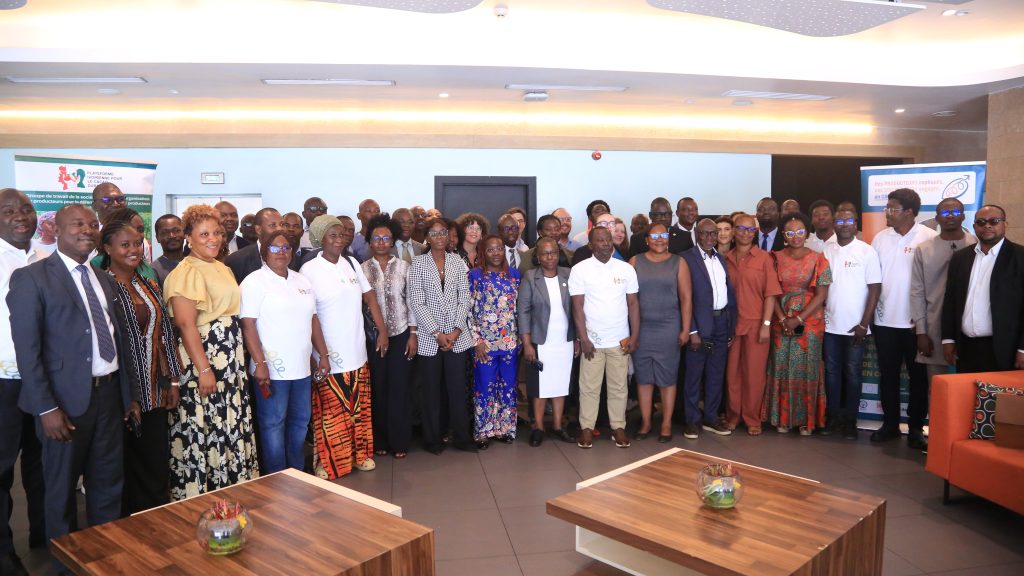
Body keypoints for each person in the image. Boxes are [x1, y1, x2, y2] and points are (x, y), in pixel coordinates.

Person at [9, 204, 139, 570]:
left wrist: (128, 396)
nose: (87, 230)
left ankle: (105, 562)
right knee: (61, 491)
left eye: (92, 224)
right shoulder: (31, 278)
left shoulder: (102, 278)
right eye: (78, 224)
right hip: (63, 405)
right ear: (56, 229)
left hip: (109, 397)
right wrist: (46, 408)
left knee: (108, 485)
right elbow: (28, 351)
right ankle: (66, 567)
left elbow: (119, 339)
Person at [163, 204, 259, 500]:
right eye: (204, 234)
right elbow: (185, 324)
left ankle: (231, 489)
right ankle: (203, 496)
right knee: (205, 426)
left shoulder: (222, 267)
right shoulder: (186, 272)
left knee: (229, 422)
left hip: (229, 359)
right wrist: (204, 369)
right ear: (188, 238)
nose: (213, 239)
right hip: (204, 359)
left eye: (217, 232)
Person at [99, 220, 183, 513]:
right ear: (108, 248)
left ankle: (155, 521)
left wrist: (173, 380)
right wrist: (128, 395)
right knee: (122, 465)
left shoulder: (148, 283)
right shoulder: (102, 286)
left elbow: (166, 334)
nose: (133, 250)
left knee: (154, 462)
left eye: (137, 243)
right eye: (125, 245)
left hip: (155, 389)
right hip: (121, 393)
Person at [300, 215, 388, 478]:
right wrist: (322, 354)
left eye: (342, 234)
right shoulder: (309, 270)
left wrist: (382, 331)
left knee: (357, 408)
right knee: (331, 411)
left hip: (357, 350)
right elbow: (310, 316)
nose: (339, 239)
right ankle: (327, 463)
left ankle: (359, 456)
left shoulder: (351, 263)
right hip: (328, 353)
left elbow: (369, 298)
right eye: (333, 235)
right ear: (320, 238)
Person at [240, 231, 330, 474]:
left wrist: (323, 355)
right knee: (273, 425)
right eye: (275, 248)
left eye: (286, 248)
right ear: (264, 252)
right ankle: (276, 477)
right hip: (271, 370)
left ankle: (296, 473)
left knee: (300, 422)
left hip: (301, 369)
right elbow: (248, 325)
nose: (281, 252)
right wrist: (259, 363)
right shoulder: (254, 282)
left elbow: (313, 319)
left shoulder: (302, 281)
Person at [0, 189, 46, 575]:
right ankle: (4, 552)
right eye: (8, 211)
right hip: (4, 380)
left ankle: (45, 538)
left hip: (44, 381)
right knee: (2, 470)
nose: (20, 216)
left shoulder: (46, 258)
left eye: (26, 209)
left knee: (44, 463)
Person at [870, 188, 937, 447]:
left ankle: (916, 428)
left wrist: (923, 322)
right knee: (888, 376)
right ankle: (890, 424)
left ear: (909, 212)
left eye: (893, 208)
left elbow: (933, 285)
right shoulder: (880, 238)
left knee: (918, 378)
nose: (887, 212)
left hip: (915, 325)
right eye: (887, 208)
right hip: (884, 321)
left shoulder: (928, 237)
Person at [408, 218, 478, 454]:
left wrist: (456, 330)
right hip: (430, 338)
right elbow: (417, 302)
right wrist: (437, 333)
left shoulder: (457, 261)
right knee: (431, 391)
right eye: (434, 233)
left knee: (457, 389)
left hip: (457, 337)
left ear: (449, 236)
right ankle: (433, 439)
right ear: (427, 237)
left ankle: (462, 437)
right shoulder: (418, 263)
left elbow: (464, 297)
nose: (439, 237)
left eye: (443, 233)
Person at [569, 226, 639, 449]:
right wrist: (583, 338)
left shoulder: (626, 269)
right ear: (591, 245)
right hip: (592, 341)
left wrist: (634, 335)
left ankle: (618, 427)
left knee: (619, 386)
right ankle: (586, 428)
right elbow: (577, 307)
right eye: (600, 240)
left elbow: (633, 304)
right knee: (589, 387)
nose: (606, 243)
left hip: (620, 340)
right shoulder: (580, 269)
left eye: (608, 239)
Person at [764, 213, 831, 435]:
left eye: (800, 231)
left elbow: (821, 294)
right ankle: (782, 419)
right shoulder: (774, 258)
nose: (796, 236)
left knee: (807, 370)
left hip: (810, 322)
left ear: (807, 233)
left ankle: (806, 421)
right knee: (781, 367)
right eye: (790, 232)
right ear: (783, 235)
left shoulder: (819, 258)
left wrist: (799, 319)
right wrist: (784, 319)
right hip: (780, 320)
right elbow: (771, 292)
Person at [943, 205, 1024, 373]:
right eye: (981, 222)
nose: (987, 225)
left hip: (1005, 348)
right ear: (974, 226)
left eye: (994, 221)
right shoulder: (960, 258)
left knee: (999, 391)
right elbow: (950, 300)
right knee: (967, 390)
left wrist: (1023, 349)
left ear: (1005, 224)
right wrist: (948, 339)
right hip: (965, 347)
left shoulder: (1020, 257)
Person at [822, 207, 880, 440]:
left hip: (856, 327)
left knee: (853, 374)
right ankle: (833, 418)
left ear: (856, 224)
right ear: (834, 225)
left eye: (848, 221)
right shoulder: (827, 250)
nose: (844, 224)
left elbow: (875, 289)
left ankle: (850, 422)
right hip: (829, 326)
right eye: (840, 221)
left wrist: (864, 324)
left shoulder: (866, 251)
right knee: (831, 374)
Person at [362, 215, 417, 459]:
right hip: (373, 338)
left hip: (401, 334)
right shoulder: (362, 269)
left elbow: (412, 301)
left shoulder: (404, 267)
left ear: (393, 241)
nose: (382, 242)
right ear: (369, 242)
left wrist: (413, 334)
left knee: (400, 388)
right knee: (378, 388)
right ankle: (380, 440)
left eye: (386, 238)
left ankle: (400, 441)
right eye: (377, 238)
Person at [630, 223, 692, 442]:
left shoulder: (679, 263)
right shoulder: (635, 261)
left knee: (667, 378)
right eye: (654, 235)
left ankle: (666, 424)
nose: (659, 239)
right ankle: (646, 422)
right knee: (644, 377)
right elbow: (629, 298)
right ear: (646, 239)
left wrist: (686, 329)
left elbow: (686, 298)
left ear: (669, 238)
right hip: (641, 329)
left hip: (669, 328)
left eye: (663, 235)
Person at [723, 214, 781, 436]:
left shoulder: (764, 259)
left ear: (755, 233)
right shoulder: (725, 258)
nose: (745, 233)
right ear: (734, 231)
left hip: (756, 324)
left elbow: (771, 294)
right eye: (741, 229)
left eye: (750, 230)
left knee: (754, 375)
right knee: (732, 374)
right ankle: (733, 416)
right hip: (730, 325)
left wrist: (766, 324)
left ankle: (752, 418)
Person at [518, 237, 578, 447]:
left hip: (565, 340)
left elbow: (577, 309)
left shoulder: (568, 274)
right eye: (545, 253)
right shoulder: (530, 277)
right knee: (540, 386)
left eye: (553, 252)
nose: (549, 257)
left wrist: (578, 339)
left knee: (561, 383)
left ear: (558, 254)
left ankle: (558, 425)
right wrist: (527, 344)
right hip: (540, 341)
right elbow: (523, 311)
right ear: (538, 256)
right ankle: (538, 427)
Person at [680, 219, 737, 439]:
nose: (709, 237)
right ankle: (692, 421)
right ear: (697, 234)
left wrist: (730, 326)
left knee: (716, 374)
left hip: (721, 323)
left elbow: (727, 293)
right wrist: (692, 330)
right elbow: (682, 298)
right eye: (704, 233)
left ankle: (711, 418)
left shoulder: (720, 258)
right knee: (694, 375)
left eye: (713, 233)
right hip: (699, 325)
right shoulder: (686, 259)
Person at [911, 199, 975, 386]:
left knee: (970, 384)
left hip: (970, 327)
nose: (950, 217)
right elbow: (917, 292)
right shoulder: (924, 249)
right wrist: (921, 332)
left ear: (963, 216)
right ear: (937, 218)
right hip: (935, 327)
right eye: (945, 213)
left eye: (955, 212)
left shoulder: (977, 245)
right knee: (937, 386)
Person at [469, 235, 521, 448]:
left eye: (499, 248)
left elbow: (520, 309)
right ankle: (483, 431)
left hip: (510, 343)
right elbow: (469, 310)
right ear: (483, 252)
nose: (496, 253)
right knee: (485, 386)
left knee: (508, 385)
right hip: (485, 344)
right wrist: (477, 340)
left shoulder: (514, 275)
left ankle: (505, 429)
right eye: (490, 249)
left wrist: (520, 338)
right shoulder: (475, 275)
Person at [226, 207, 297, 283]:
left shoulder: (291, 256)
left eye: (282, 224)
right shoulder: (237, 260)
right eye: (273, 225)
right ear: (258, 230)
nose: (280, 229)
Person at [94, 208, 159, 284]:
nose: (136, 234)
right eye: (130, 229)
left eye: (140, 230)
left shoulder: (146, 268)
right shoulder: (97, 264)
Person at [152, 214, 185, 286]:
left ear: (184, 233)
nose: (171, 236)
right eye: (164, 232)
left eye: (176, 231)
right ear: (157, 238)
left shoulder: (195, 263)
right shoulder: (154, 270)